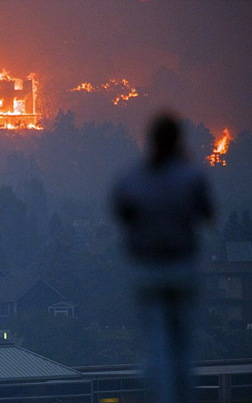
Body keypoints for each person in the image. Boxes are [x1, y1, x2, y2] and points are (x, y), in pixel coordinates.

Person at [112, 113, 214, 403]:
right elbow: (207, 214)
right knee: (182, 343)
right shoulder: (191, 177)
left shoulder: (130, 178)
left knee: (154, 342)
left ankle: (159, 387)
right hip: (182, 269)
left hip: (147, 271)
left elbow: (121, 214)